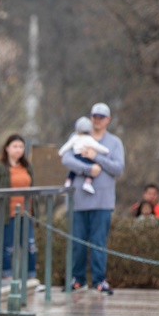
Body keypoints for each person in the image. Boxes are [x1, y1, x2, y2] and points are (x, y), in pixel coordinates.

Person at [61, 102, 125, 294]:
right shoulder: (78, 137)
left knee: (98, 242)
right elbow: (66, 159)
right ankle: (78, 279)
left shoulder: (114, 142)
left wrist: (96, 157)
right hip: (78, 200)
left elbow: (118, 168)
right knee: (77, 242)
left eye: (101, 117)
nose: (97, 121)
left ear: (108, 120)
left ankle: (99, 280)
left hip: (102, 201)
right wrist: (87, 169)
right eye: (94, 117)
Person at [0, 133, 37, 280]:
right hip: (8, 215)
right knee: (8, 247)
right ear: (7, 148)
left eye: (21, 146)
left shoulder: (27, 166)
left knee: (30, 246)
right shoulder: (0, 167)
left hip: (26, 213)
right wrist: (0, 203)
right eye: (15, 146)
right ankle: (6, 275)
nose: (18, 150)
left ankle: (31, 277)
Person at [59, 116, 109, 194]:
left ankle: (68, 182)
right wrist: (106, 151)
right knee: (92, 166)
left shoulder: (74, 138)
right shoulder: (88, 139)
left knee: (72, 170)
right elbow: (97, 146)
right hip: (84, 157)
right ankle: (87, 183)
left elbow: (67, 146)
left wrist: (60, 152)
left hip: (76, 156)